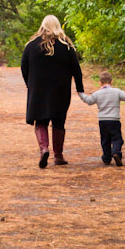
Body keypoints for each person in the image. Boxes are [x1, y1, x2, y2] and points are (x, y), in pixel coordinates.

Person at [21, 15, 84, 168]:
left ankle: (43, 149)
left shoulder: (31, 46)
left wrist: (30, 84)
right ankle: (58, 156)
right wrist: (79, 88)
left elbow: (24, 68)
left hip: (38, 89)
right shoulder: (66, 46)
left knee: (40, 120)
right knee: (58, 121)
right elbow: (76, 69)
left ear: (42, 26)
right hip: (60, 90)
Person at [78, 70, 125, 166]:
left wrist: (80, 93)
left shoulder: (97, 94)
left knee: (105, 140)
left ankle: (106, 158)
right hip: (114, 120)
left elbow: (88, 100)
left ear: (100, 83)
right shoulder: (116, 91)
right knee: (117, 139)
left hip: (102, 121)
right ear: (112, 81)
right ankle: (116, 152)